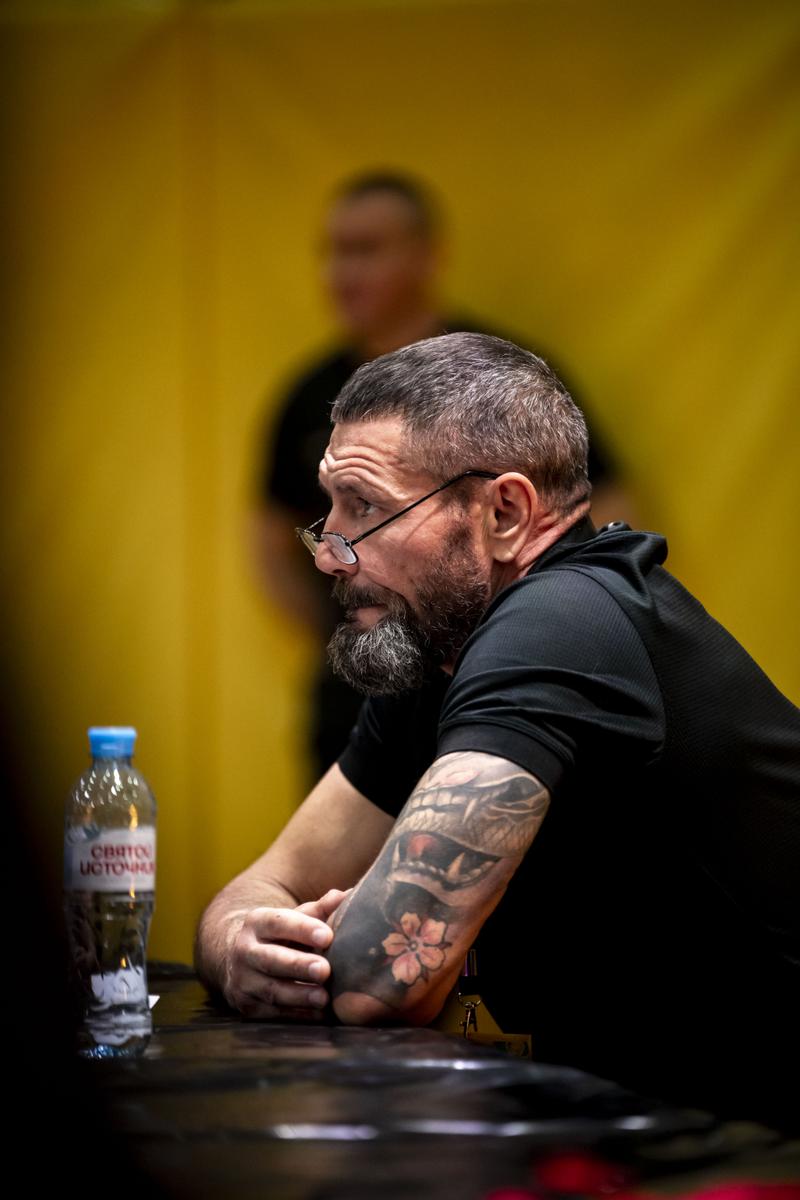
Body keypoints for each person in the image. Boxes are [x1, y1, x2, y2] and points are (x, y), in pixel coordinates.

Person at [201, 333, 800, 1127]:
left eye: (366, 507)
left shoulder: (564, 622)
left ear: (506, 513)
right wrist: (239, 942)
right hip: (650, 1127)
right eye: (330, 508)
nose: (328, 555)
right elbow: (262, 887)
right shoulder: (437, 643)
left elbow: (379, 982)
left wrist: (335, 935)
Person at [254, 171, 630, 776]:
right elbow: (272, 541)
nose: (341, 272)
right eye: (332, 251)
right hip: (360, 696)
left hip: (497, 685)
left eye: (365, 249)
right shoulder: (307, 395)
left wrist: (529, 632)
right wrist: (368, 620)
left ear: (428, 255)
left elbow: (603, 510)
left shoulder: (503, 380)